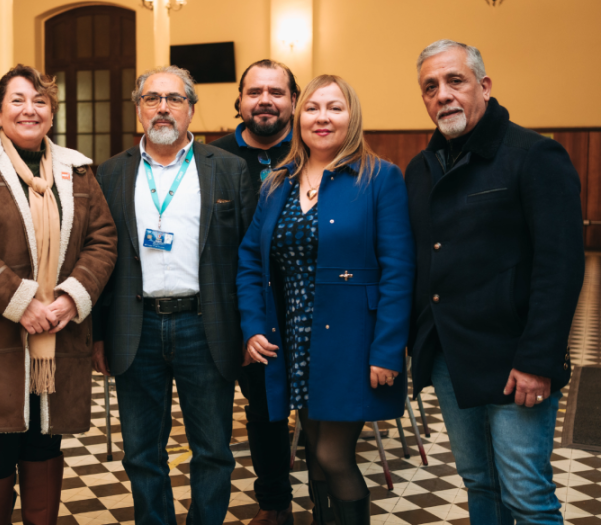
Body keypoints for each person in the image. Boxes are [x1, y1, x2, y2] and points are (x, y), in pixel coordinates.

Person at [406, 40, 584, 525]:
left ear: (483, 86)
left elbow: (561, 266)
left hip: (514, 357)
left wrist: (538, 360)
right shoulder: (420, 169)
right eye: (430, 87)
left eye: (454, 81)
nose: (442, 94)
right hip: (449, 354)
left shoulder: (534, 154)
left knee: (526, 494)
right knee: (479, 483)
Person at [0, 64, 117, 525]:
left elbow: (102, 240)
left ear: (52, 115)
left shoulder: (77, 169)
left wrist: (71, 298)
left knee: (43, 441)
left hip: (58, 334)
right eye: (17, 100)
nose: (29, 109)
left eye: (40, 101)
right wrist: (21, 302)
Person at [237, 74, 415, 525]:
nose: (322, 118)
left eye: (335, 108)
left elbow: (398, 271)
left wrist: (388, 350)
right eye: (313, 108)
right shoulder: (278, 182)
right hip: (294, 338)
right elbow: (250, 261)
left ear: (351, 117)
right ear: (299, 116)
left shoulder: (380, 178)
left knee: (334, 455)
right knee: (313, 452)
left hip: (354, 342)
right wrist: (254, 326)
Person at [93, 65, 256, 525]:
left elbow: (248, 258)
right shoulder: (110, 173)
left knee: (213, 451)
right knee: (142, 454)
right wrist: (99, 335)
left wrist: (249, 328)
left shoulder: (228, 169)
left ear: (191, 109)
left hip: (206, 327)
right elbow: (101, 261)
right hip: (135, 327)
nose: (163, 108)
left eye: (174, 99)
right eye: (152, 98)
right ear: (138, 108)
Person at [210, 59, 299, 525]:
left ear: (293, 101)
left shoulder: (313, 152)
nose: (265, 100)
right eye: (255, 91)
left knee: (319, 414)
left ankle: (328, 502)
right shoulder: (213, 158)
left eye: (277, 92)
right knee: (261, 411)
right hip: (237, 310)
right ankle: (274, 505)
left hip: (305, 306)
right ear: (240, 101)